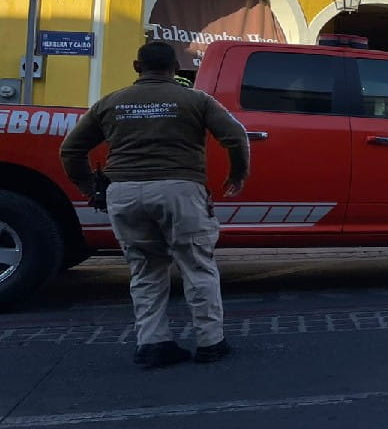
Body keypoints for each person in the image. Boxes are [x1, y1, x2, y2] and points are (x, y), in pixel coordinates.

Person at [60, 41, 250, 367]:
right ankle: (209, 342)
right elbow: (235, 136)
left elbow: (70, 150)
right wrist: (237, 174)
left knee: (146, 269)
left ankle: (153, 343)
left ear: (137, 67)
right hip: (180, 189)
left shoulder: (110, 103)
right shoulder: (195, 100)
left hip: (124, 192)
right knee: (196, 264)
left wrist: (90, 187)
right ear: (176, 69)